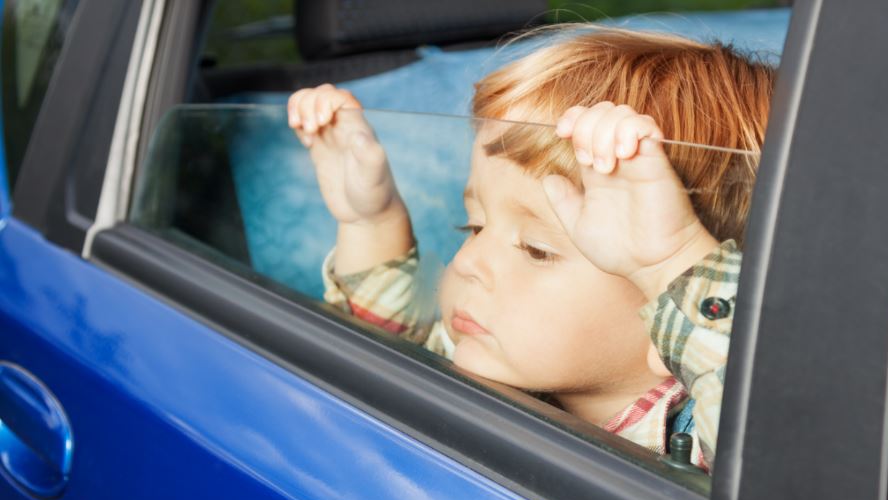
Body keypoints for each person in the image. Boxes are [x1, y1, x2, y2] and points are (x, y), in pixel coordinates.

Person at [287, 28, 775, 471]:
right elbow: (387, 354)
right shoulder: (507, 362)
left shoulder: (716, 445)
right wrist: (371, 221)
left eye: (537, 250)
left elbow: (777, 453)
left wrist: (670, 260)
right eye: (474, 226)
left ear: (666, 315)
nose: (467, 262)